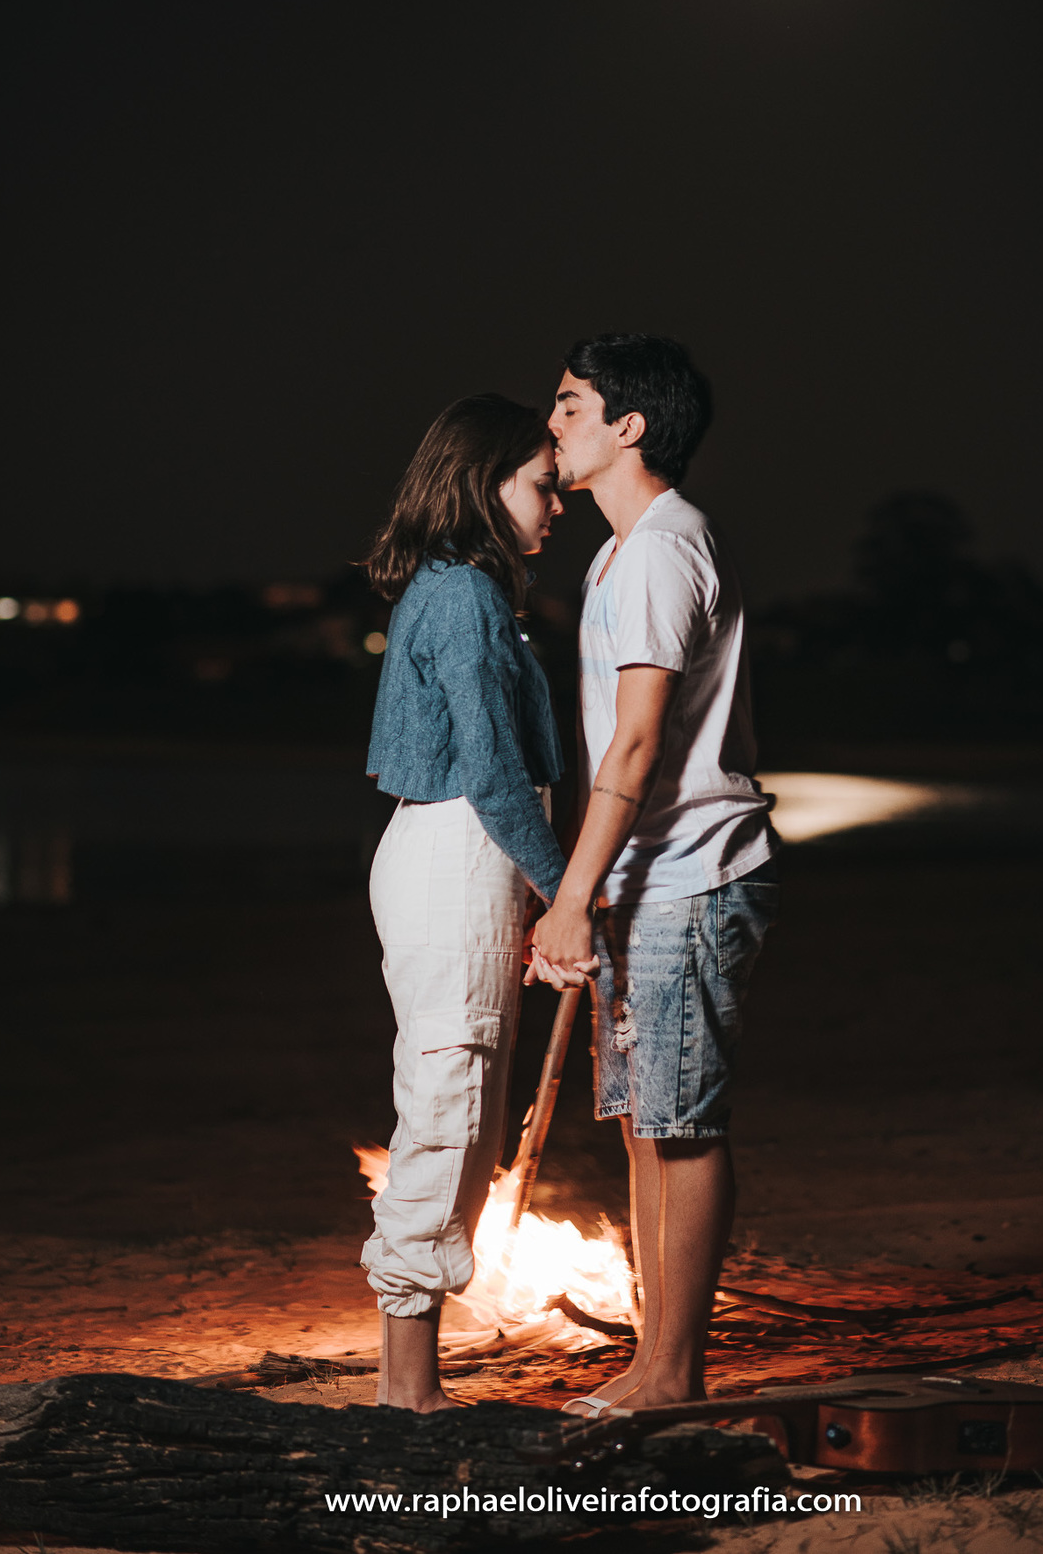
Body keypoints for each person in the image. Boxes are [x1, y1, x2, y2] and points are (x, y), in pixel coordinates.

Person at [527, 333, 779, 1416]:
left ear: (630, 425)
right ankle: (653, 1356)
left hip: (689, 871)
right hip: (651, 877)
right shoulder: (617, 552)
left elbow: (634, 745)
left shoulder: (666, 545)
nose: (554, 424)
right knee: (646, 1120)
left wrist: (570, 895)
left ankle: (672, 1374)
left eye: (571, 404)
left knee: (682, 1123)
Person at [360, 393, 567, 1412]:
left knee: (461, 1106)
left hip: (455, 854)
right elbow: (491, 772)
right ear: (484, 483)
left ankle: (415, 1378)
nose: (556, 505)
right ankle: (409, 1392)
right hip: (457, 852)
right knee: (448, 1108)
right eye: (541, 483)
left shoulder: (462, 590)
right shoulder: (465, 597)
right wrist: (568, 892)